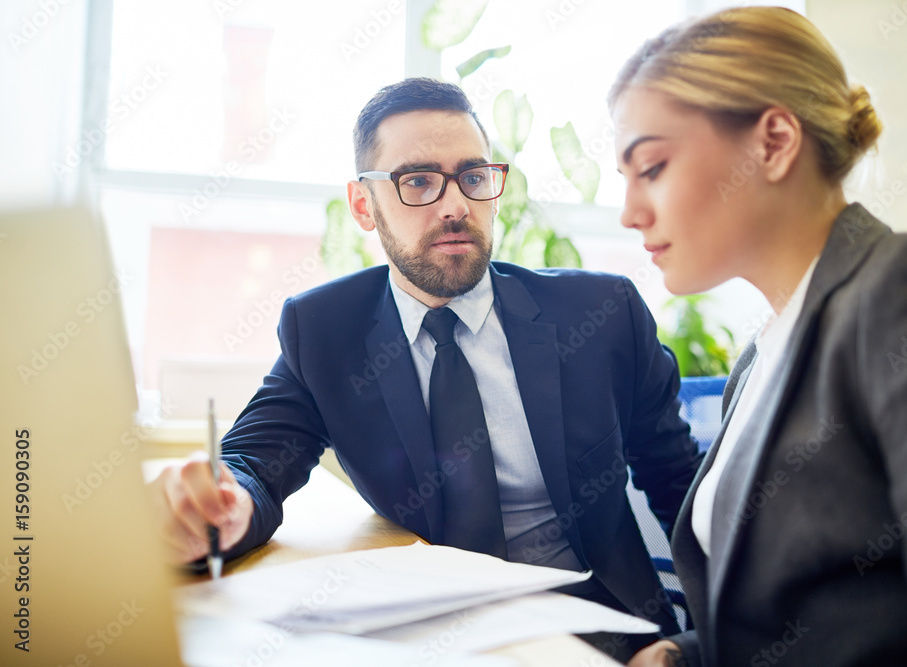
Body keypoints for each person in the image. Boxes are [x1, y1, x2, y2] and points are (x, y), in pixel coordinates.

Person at [150, 77, 703, 655]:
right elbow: (254, 466)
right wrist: (222, 507)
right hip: (432, 641)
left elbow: (682, 487)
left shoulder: (601, 315)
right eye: (417, 180)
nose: (456, 206)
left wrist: (707, 644)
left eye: (473, 176)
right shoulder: (326, 333)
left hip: (606, 631)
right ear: (364, 204)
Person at [609, 6, 907, 666]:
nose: (628, 212)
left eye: (651, 168)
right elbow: (825, 618)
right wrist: (684, 654)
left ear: (774, 141)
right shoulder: (760, 362)